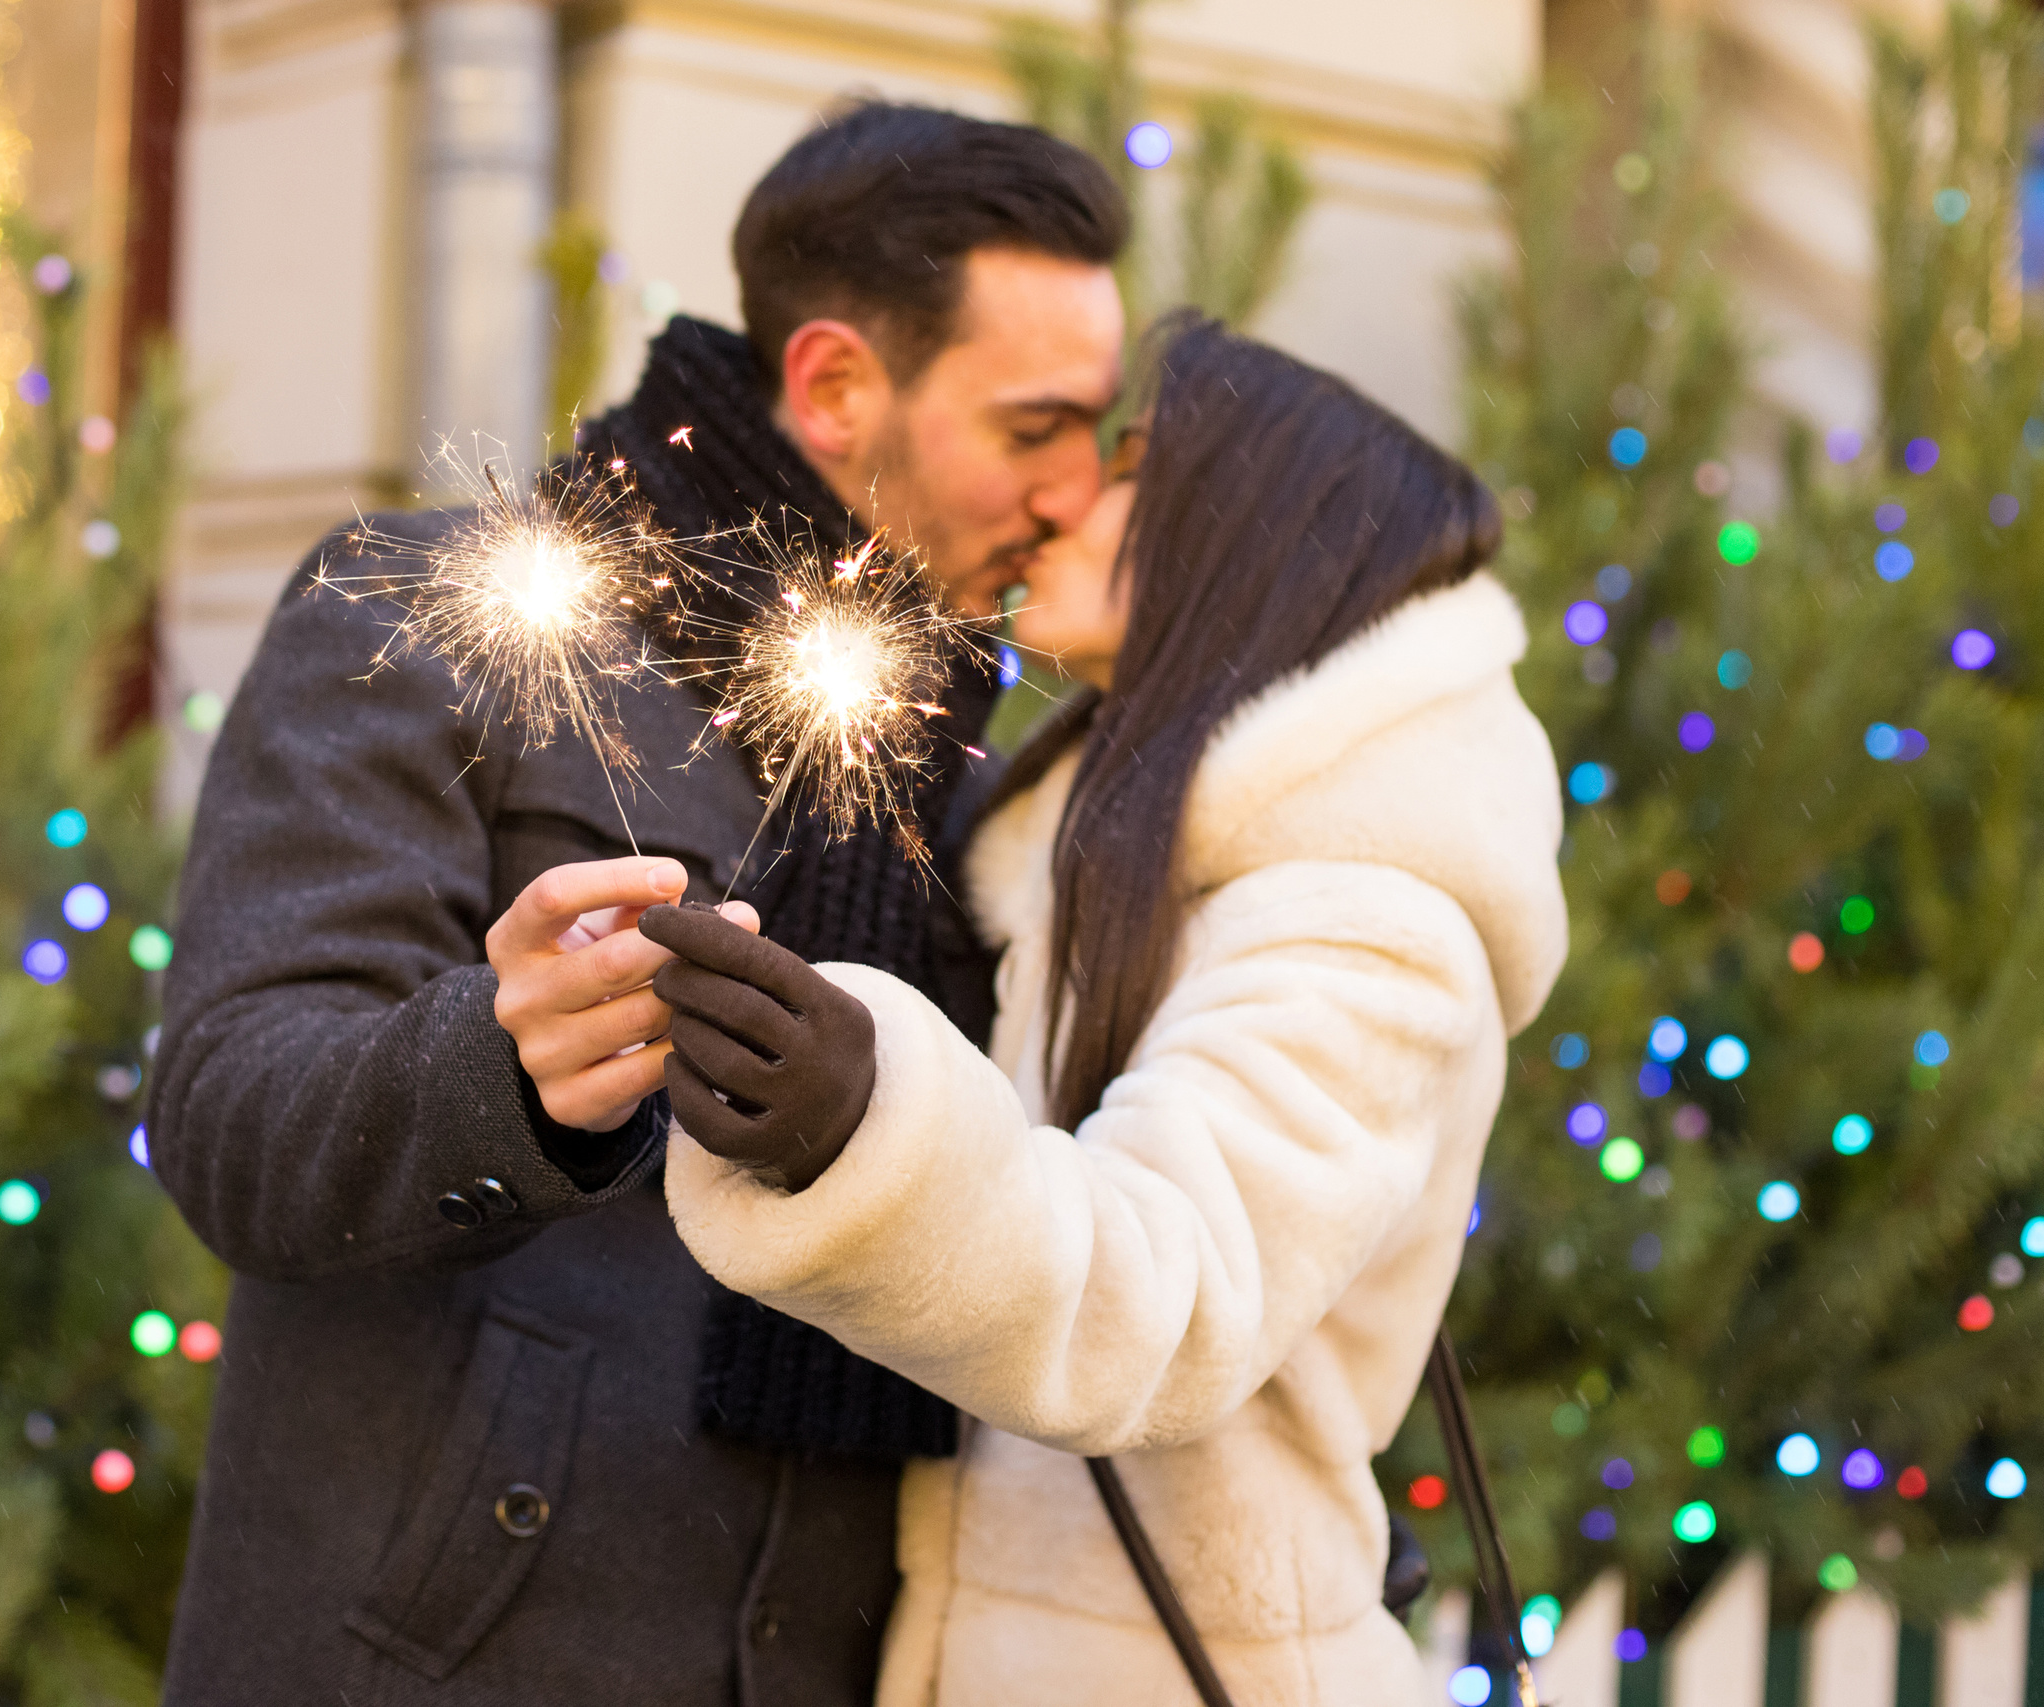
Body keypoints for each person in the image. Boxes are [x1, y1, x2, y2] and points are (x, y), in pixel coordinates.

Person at [145, 104, 1127, 1704]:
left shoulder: (972, 769)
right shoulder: (435, 615)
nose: (1077, 491)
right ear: (832, 385)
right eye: (1034, 429)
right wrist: (505, 1069)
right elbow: (229, 1121)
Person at [643, 315, 1570, 1706]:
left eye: (1130, 462)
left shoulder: (1367, 917)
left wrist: (861, 1121)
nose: (1067, 494)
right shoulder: (1125, 858)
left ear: (1250, 538)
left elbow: (1164, 1299)